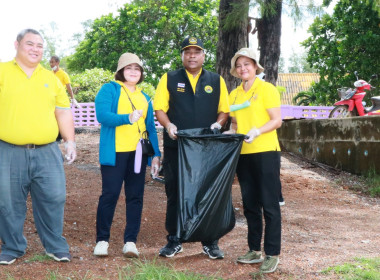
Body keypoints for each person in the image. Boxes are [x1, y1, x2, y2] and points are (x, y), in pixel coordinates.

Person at [0, 29, 76, 265]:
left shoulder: (52, 78)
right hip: (8, 150)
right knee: (8, 200)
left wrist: (70, 140)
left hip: (47, 151)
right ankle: (12, 246)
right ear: (17, 44)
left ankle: (55, 246)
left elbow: (63, 111)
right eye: (30, 44)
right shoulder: (2, 71)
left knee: (54, 197)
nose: (35, 49)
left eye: (40, 46)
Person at [154, 36, 230, 259]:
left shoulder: (216, 80)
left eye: (197, 52)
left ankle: (210, 241)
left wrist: (218, 124)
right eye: (188, 52)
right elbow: (159, 108)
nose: (192, 56)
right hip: (177, 145)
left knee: (207, 192)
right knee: (175, 192)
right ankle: (174, 240)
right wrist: (168, 125)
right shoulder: (169, 78)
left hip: (206, 149)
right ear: (182, 56)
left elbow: (224, 110)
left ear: (203, 55)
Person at [93, 52, 161, 258]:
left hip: (138, 154)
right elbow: (102, 116)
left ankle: (130, 241)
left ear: (141, 73)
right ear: (121, 71)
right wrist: (127, 118)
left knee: (135, 196)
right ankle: (102, 240)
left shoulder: (145, 97)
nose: (133, 72)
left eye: (137, 68)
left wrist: (156, 154)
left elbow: (150, 127)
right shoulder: (109, 89)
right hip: (115, 153)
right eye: (129, 68)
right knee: (110, 195)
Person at [224, 48, 282, 273]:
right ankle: (254, 250)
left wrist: (257, 131)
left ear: (256, 67)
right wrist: (231, 132)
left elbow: (276, 120)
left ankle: (272, 253)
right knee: (250, 204)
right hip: (243, 154)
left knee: (269, 204)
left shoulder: (267, 89)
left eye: (247, 64)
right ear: (235, 70)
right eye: (239, 65)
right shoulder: (234, 94)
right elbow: (237, 124)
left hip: (266, 151)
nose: (243, 68)